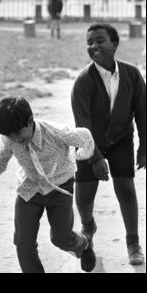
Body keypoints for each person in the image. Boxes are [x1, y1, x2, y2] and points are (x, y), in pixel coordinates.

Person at [0, 96, 97, 273]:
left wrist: (82, 155)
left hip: (61, 187)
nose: (14, 139)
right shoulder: (9, 139)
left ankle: (83, 244)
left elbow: (85, 137)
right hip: (30, 188)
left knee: (61, 238)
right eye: (8, 135)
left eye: (17, 133)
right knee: (23, 242)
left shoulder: (56, 132)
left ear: (30, 121)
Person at [71, 24, 146, 266]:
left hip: (121, 139)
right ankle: (88, 226)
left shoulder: (132, 75)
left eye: (100, 40)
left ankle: (133, 242)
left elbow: (142, 113)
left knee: (126, 188)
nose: (94, 46)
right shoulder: (83, 81)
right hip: (88, 142)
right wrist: (95, 158)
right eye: (90, 42)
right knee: (84, 196)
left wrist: (144, 146)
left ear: (115, 44)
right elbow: (82, 126)